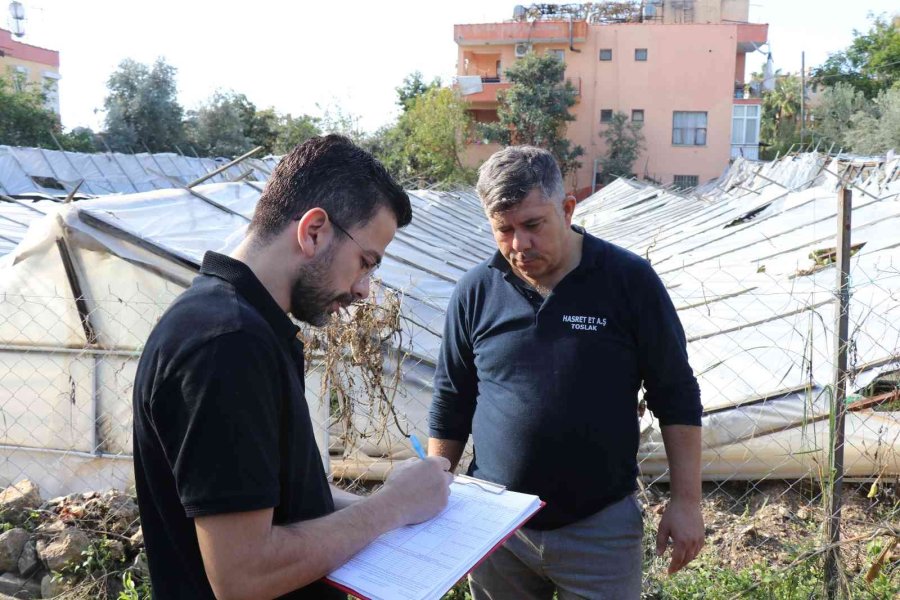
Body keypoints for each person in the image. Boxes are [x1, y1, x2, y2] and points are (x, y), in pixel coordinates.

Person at [133, 134, 453, 599]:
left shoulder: (241, 324)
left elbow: (276, 499)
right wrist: (390, 508)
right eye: (365, 262)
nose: (363, 289)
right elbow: (244, 577)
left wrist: (389, 503)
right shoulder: (227, 344)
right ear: (314, 231)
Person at [428, 146, 704, 599]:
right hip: (497, 529)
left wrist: (686, 502)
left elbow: (676, 396)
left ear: (568, 208)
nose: (519, 244)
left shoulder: (627, 281)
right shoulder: (475, 291)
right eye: (504, 230)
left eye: (533, 225)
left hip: (598, 527)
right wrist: (436, 487)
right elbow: (451, 399)